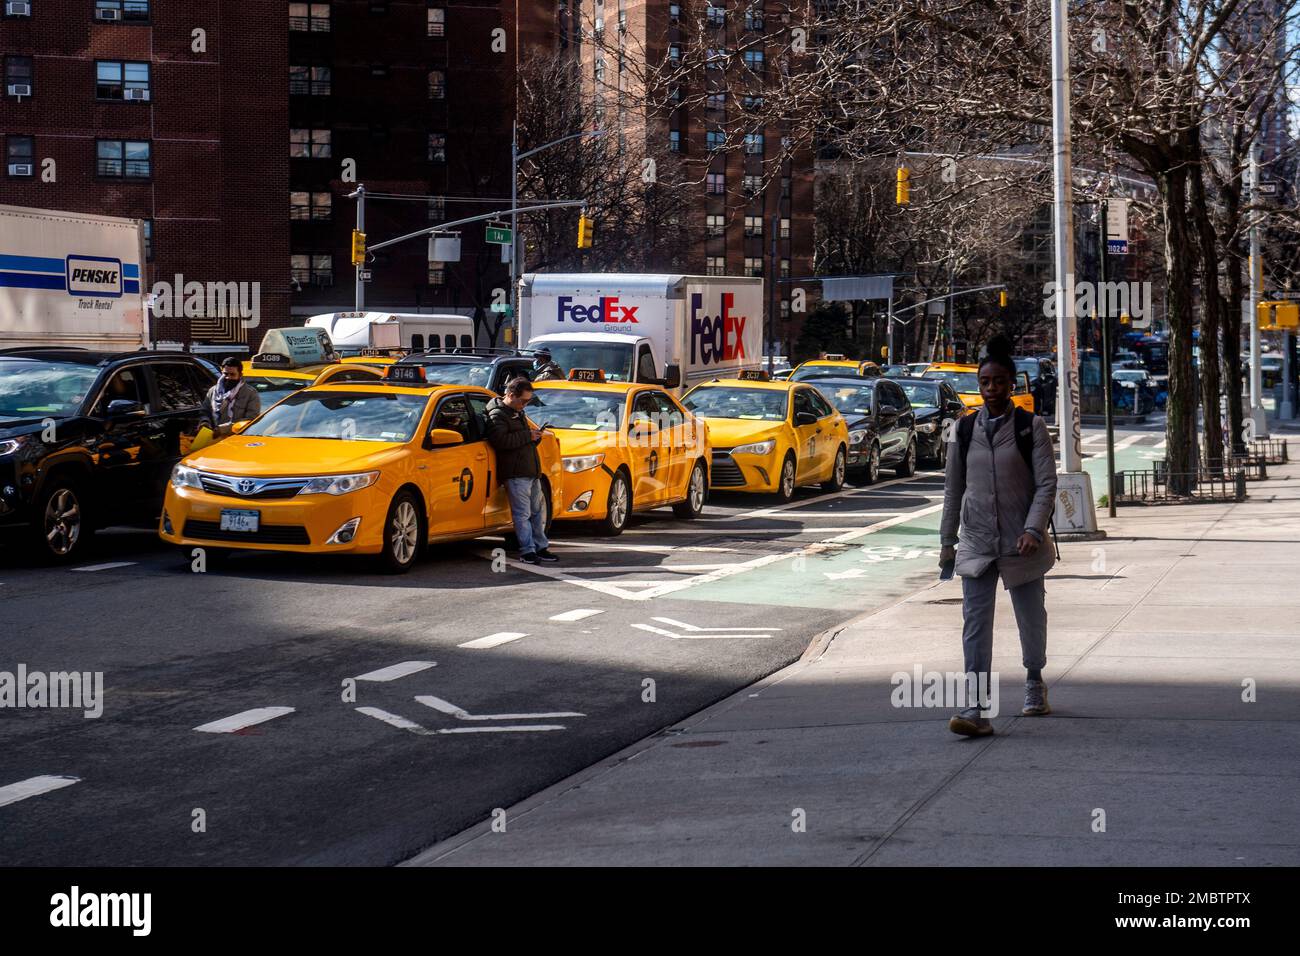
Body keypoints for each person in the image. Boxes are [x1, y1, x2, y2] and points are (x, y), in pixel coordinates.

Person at [939, 336, 1058, 736]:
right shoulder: (964, 428)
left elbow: (1046, 484)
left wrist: (1033, 529)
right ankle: (975, 708)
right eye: (985, 381)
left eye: (1000, 381)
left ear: (1012, 384)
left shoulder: (1031, 427)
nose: (992, 389)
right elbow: (953, 489)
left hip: (1022, 542)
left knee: (1030, 618)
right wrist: (946, 542)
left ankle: (1033, 680)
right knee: (975, 623)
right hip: (976, 540)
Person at [485, 378, 558, 565]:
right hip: (516, 473)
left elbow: (520, 440)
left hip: (530, 471)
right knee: (522, 514)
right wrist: (528, 436)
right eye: (523, 401)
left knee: (536, 511)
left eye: (527, 401)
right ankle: (527, 551)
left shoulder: (517, 412)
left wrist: (534, 438)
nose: (525, 404)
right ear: (510, 395)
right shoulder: (498, 415)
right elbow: (500, 441)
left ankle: (541, 548)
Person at [205, 357, 261, 436]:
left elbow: (250, 420)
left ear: (240, 375)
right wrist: (204, 422)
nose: (228, 377)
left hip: (236, 438)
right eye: (226, 374)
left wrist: (222, 429)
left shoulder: (250, 393)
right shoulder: (213, 391)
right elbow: (205, 411)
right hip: (211, 437)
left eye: (232, 374)